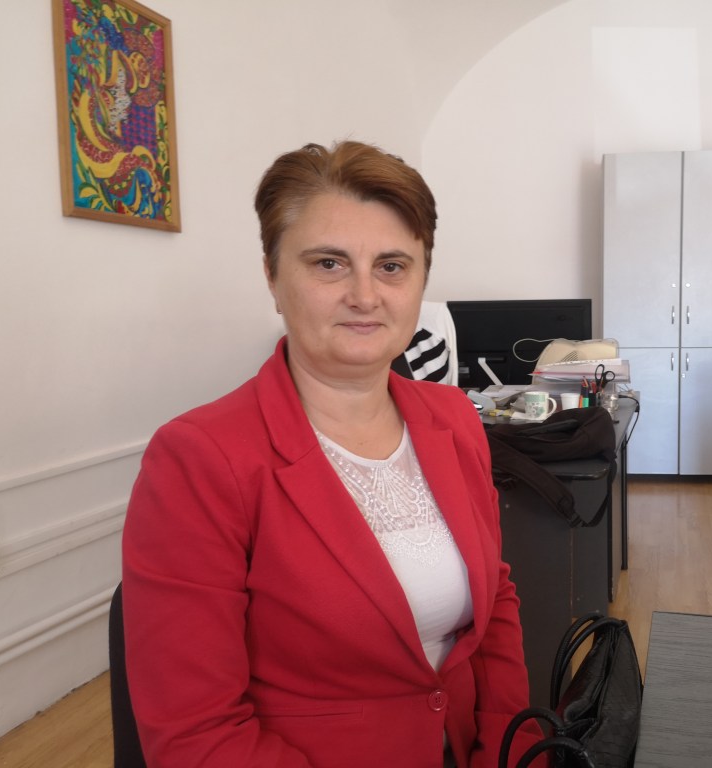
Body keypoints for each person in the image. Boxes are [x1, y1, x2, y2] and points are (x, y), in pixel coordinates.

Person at [122, 141, 542, 767]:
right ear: (273, 278)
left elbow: (495, 601)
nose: (365, 296)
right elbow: (196, 736)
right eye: (328, 264)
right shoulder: (198, 460)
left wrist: (514, 750)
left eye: (392, 266)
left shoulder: (453, 418)